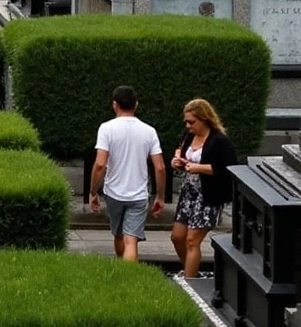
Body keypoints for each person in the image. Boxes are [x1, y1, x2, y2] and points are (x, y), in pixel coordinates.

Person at [89, 85, 166, 264]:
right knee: (131, 241)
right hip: (138, 194)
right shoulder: (149, 131)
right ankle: (130, 275)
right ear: (136, 105)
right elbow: (160, 167)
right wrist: (160, 196)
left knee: (118, 235)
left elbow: (100, 164)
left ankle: (123, 272)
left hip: (114, 192)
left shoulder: (106, 129)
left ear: (114, 105)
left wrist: (93, 191)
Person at [170, 98, 237, 277]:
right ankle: (191, 270)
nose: (188, 125)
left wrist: (198, 168)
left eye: (191, 122)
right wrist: (178, 162)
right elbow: (183, 156)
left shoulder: (220, 141)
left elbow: (228, 168)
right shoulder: (189, 137)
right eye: (186, 121)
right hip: (189, 193)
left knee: (192, 240)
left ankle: (190, 282)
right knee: (177, 237)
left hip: (208, 195)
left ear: (204, 119)